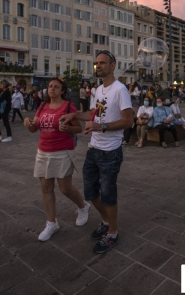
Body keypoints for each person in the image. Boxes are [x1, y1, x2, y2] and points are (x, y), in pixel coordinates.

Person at [59, 50, 134, 254]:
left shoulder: (120, 90)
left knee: (109, 195)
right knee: (91, 192)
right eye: (96, 63)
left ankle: (112, 232)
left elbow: (129, 120)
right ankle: (105, 220)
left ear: (113, 66)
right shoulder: (98, 90)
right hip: (94, 148)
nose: (98, 66)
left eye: (102, 63)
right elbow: (94, 113)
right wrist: (75, 114)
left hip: (110, 151)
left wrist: (103, 127)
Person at [24, 77, 89, 241]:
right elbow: (34, 128)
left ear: (62, 90)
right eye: (50, 86)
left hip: (62, 151)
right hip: (43, 151)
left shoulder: (68, 106)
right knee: (46, 188)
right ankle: (51, 223)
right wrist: (28, 124)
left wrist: (67, 128)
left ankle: (83, 206)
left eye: (56, 87)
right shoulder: (42, 106)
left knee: (65, 188)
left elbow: (78, 129)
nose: (51, 89)